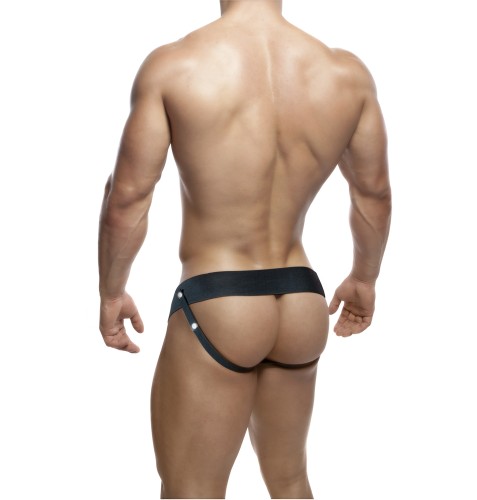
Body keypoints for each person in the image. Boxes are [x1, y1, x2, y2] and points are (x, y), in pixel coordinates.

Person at [98, 0, 391, 497]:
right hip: (301, 300)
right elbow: (374, 194)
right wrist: (364, 278)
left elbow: (127, 197)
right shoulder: (345, 74)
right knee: (291, 481)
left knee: (191, 489)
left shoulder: (176, 65)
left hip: (219, 301)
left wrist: (112, 292)